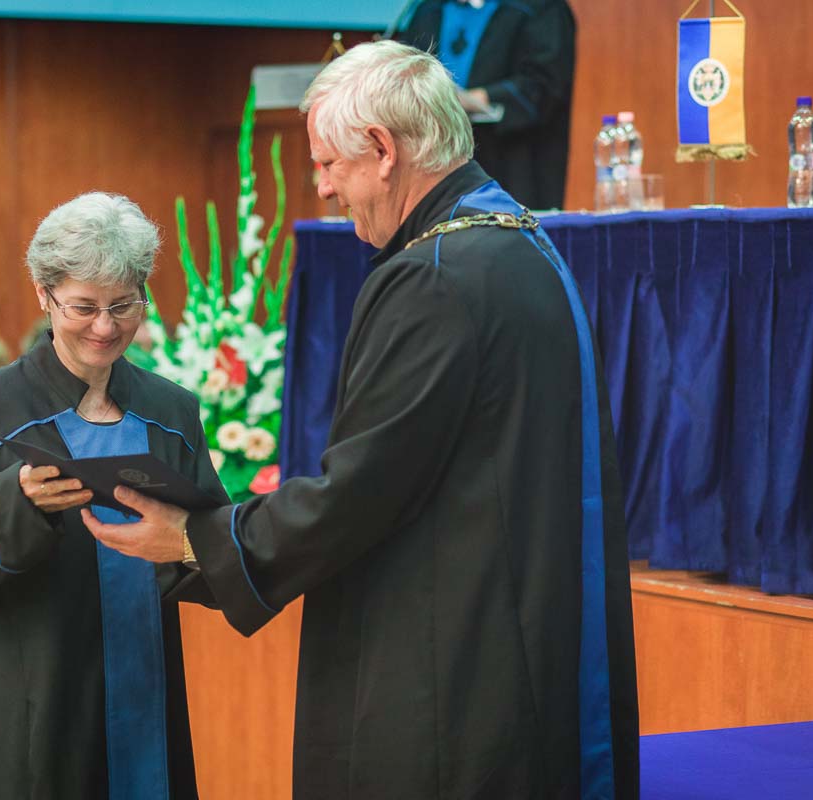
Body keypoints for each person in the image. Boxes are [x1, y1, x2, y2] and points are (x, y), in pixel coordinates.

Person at [81, 41, 639, 799]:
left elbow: (360, 491)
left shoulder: (435, 278)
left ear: (382, 149)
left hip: (453, 668)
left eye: (327, 164)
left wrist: (195, 539)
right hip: (528, 630)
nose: (322, 188)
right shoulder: (521, 245)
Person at [0, 192, 226, 798]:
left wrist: (194, 543)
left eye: (123, 305)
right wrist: (16, 498)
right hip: (31, 684)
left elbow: (208, 536)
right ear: (44, 294)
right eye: (84, 307)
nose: (105, 328)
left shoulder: (171, 410)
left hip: (141, 675)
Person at [398, 0, 576, 210]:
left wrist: (476, 99)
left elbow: (546, 84)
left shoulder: (541, 8)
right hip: (435, 165)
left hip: (512, 163)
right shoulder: (428, 10)